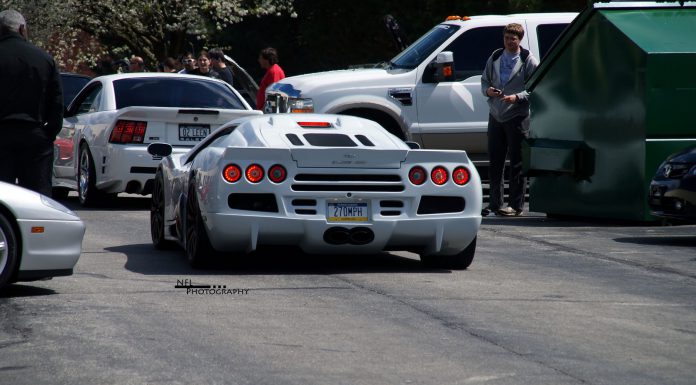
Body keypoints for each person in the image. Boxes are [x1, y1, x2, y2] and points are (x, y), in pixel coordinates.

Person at [0, 9, 63, 197]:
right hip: (34, 136)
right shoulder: (44, 59)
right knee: (38, 198)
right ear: (21, 29)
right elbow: (56, 102)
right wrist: (48, 134)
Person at [480, 23, 538, 217]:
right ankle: (495, 203)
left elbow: (535, 87)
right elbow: (485, 80)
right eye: (506, 38)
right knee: (495, 161)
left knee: (516, 162)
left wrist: (518, 97)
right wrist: (488, 91)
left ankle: (516, 205)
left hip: (517, 116)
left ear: (519, 40)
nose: (509, 42)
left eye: (513, 39)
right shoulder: (495, 56)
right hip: (496, 114)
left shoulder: (528, 59)